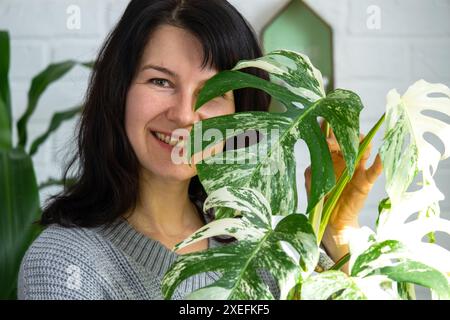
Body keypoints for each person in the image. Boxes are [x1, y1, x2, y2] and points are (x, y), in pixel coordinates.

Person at [18, 0, 382, 300]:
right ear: (119, 92)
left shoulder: (263, 246)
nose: (184, 115)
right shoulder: (65, 263)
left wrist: (338, 232)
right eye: (160, 81)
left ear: (239, 114)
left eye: (212, 92)